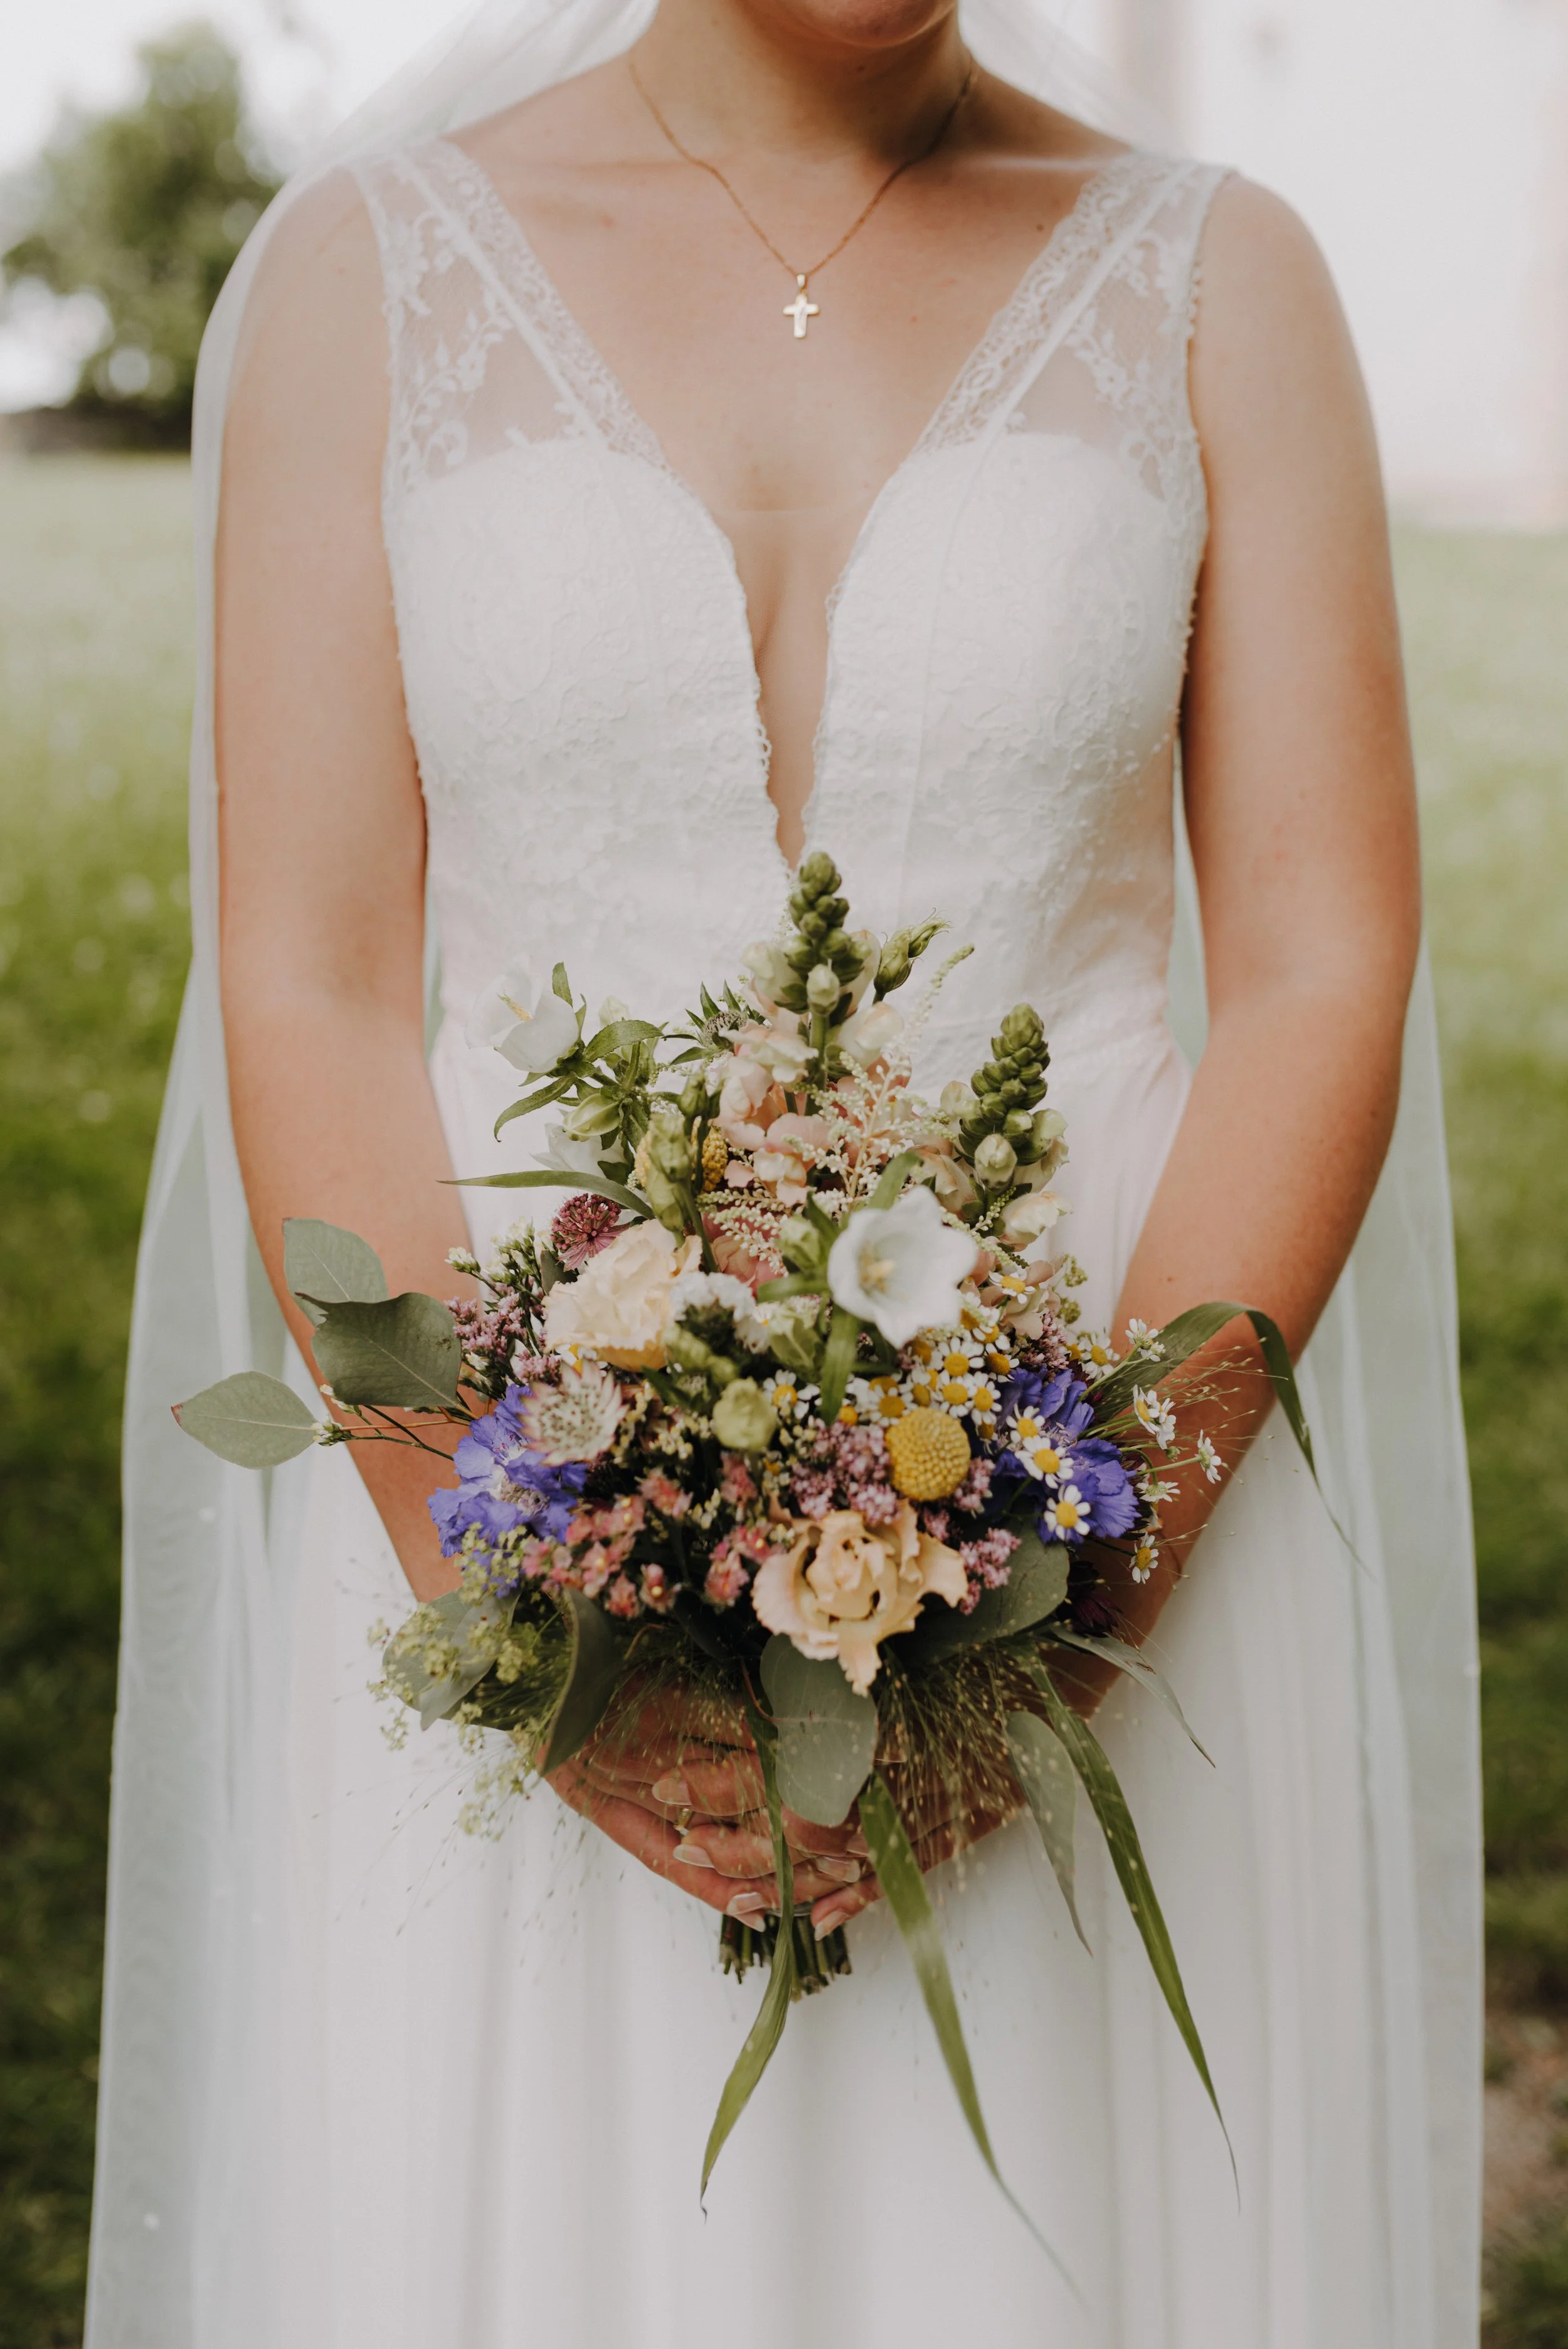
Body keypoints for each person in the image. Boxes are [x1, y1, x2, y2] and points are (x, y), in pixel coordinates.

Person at [88, 1, 1483, 2342]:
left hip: (1104, 1462)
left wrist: (1077, 1588)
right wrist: (532, 1623)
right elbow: (316, 978)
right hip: (509, 1458)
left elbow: (1329, 959)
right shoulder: (367, 277)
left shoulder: (1219, 277)